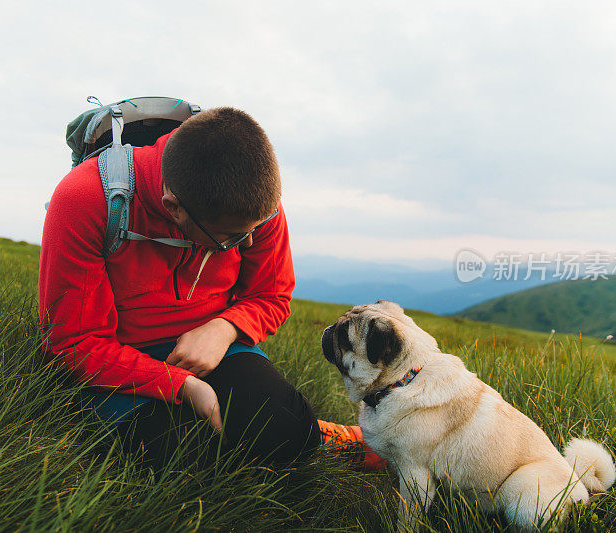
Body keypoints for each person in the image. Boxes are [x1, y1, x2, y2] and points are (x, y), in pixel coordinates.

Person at [38, 106, 384, 470]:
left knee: (284, 427)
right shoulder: (86, 200)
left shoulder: (253, 206)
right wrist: (180, 384)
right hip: (117, 356)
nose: (248, 242)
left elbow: (272, 295)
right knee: (184, 454)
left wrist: (224, 329)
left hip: (215, 348)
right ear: (175, 208)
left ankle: (314, 434)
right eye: (229, 239)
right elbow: (73, 342)